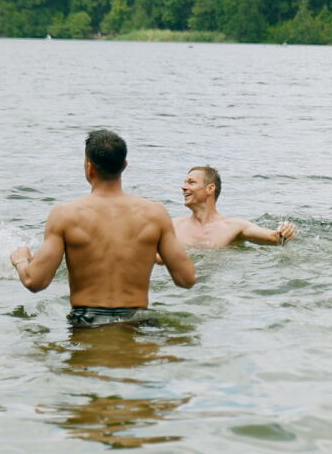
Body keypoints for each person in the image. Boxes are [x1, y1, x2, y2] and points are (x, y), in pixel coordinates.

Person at [10, 130, 195, 328]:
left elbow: (35, 281)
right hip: (138, 321)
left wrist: (21, 259)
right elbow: (186, 279)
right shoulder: (155, 214)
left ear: (89, 168)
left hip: (87, 322)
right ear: (124, 166)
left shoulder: (65, 215)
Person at [172, 166, 296, 248]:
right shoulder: (172, 226)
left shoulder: (234, 227)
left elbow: (274, 238)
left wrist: (285, 231)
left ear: (210, 188)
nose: (183, 187)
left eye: (191, 182)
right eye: (185, 182)